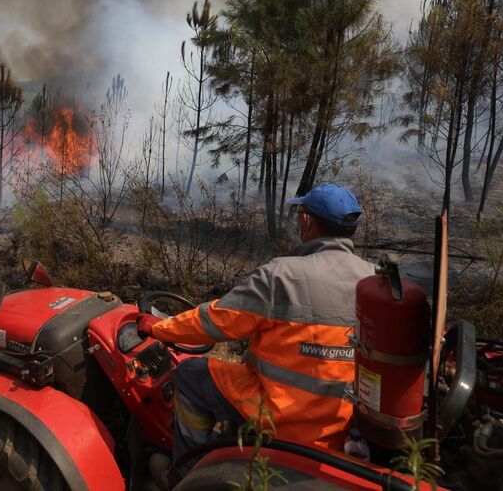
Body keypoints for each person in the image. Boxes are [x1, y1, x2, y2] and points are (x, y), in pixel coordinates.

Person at [137, 183, 375, 486]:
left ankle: (184, 472)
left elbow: (215, 322)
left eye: (300, 214)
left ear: (306, 221)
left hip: (280, 415)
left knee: (188, 373)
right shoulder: (374, 282)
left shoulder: (281, 276)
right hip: (342, 422)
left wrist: (157, 327)